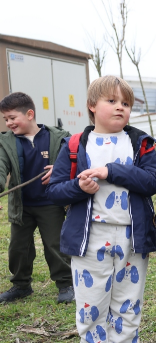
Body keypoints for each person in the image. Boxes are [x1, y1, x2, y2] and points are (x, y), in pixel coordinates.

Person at [46, 75, 156, 343]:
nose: (120, 108)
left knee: (128, 304)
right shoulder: (73, 146)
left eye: (126, 103)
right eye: (113, 101)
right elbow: (54, 191)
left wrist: (111, 171)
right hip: (90, 240)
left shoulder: (142, 144)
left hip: (131, 240)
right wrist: (78, 189)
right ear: (92, 106)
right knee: (92, 304)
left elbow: (152, 181)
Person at [0, 92, 74, 304]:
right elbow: (0, 167)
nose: (9, 123)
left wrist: (61, 170)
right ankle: (21, 285)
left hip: (50, 203)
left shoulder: (58, 137)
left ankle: (65, 284)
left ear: (30, 114)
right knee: (18, 247)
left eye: (12, 117)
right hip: (21, 205)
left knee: (55, 244)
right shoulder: (5, 142)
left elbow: (73, 161)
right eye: (6, 119)